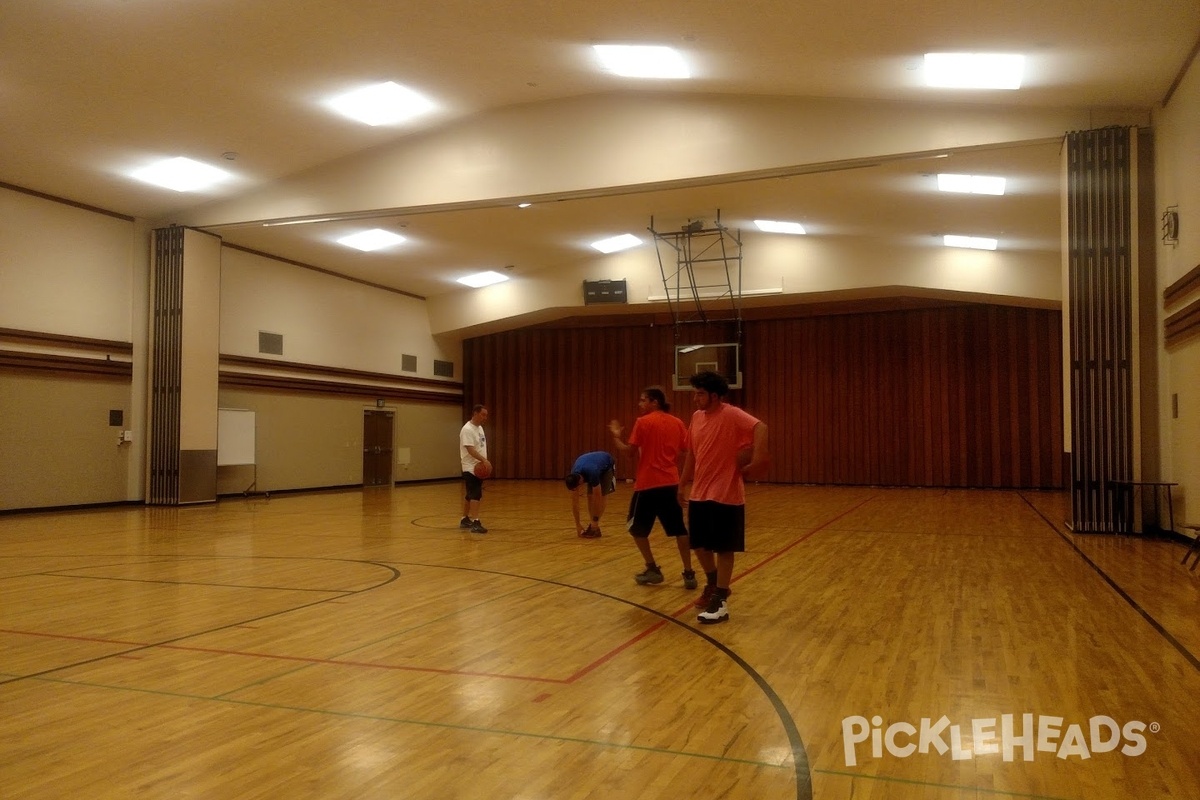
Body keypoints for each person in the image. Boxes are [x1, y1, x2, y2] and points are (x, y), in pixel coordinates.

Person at [679, 371, 768, 624]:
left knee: (724, 548)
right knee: (697, 544)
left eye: (700, 394)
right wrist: (682, 483)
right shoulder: (696, 418)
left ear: (714, 396)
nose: (695, 399)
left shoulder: (730, 413)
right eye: (695, 393)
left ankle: (721, 602)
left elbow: (760, 426)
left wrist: (759, 456)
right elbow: (692, 455)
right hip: (700, 492)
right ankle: (714, 582)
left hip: (726, 493)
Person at [609, 386, 696, 589]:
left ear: (654, 402)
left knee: (636, 529)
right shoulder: (677, 422)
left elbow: (629, 452)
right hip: (671, 483)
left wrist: (615, 437)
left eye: (642, 400)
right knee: (679, 530)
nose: (640, 404)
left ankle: (652, 568)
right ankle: (689, 573)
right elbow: (686, 449)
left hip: (647, 484)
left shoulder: (643, 422)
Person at [565, 450, 616, 538]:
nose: (577, 490)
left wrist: (595, 520)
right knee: (589, 496)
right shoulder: (574, 475)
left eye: (577, 487)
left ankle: (594, 525)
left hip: (606, 466)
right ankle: (592, 525)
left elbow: (598, 497)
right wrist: (577, 524)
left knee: (602, 495)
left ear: (580, 481)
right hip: (591, 463)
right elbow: (575, 503)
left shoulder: (593, 472)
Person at [459, 404, 490, 533]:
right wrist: (484, 460)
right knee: (476, 494)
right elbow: (470, 449)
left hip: (478, 467)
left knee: (470, 494)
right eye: (483, 415)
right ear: (475, 414)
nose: (485, 418)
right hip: (470, 468)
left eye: (486, 415)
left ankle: (465, 519)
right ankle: (476, 522)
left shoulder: (480, 428)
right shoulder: (467, 429)